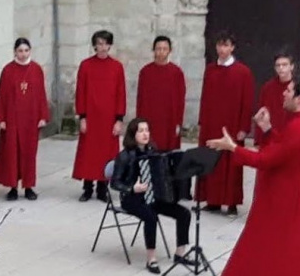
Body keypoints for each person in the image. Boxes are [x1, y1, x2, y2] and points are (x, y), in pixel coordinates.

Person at [206, 77, 300, 276]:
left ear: (299, 99)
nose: (284, 93)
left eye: (289, 91)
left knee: (276, 247)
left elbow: (266, 160)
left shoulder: (299, 126)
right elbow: (287, 149)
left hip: (290, 195)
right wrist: (268, 129)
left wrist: (233, 147)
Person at [110, 118, 198, 274]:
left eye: (147, 130)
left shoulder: (154, 152)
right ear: (133, 134)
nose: (145, 134)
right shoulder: (124, 156)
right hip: (132, 199)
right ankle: (151, 259)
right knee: (151, 217)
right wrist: (132, 188)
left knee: (184, 213)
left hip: (153, 197)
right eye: (141, 131)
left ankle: (180, 254)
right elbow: (115, 183)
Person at [197, 31, 254, 216]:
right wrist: (202, 121)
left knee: (231, 162)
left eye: (226, 45)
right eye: (220, 45)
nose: (222, 49)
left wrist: (244, 128)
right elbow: (205, 98)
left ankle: (231, 203)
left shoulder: (243, 72)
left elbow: (247, 102)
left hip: (232, 125)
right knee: (211, 159)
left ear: (232, 47)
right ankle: (212, 200)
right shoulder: (211, 70)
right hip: (211, 123)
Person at [73, 30, 126, 202]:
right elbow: (80, 92)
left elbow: (120, 93)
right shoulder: (86, 65)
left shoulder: (117, 67)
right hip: (91, 117)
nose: (102, 47)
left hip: (109, 118)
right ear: (94, 45)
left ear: (110, 45)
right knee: (89, 153)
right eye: (99, 43)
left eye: (105, 43)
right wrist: (82, 116)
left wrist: (119, 119)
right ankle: (88, 188)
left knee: (106, 153)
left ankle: (103, 189)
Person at [0, 38, 49, 201]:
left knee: (29, 154)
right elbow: (2, 95)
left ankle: (28, 186)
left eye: (26, 50)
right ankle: (12, 187)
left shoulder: (36, 69)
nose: (23, 54)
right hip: (12, 118)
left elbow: (41, 94)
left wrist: (43, 116)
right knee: (11, 154)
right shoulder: (8, 70)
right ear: (15, 52)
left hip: (31, 119)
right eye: (20, 51)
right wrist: (1, 118)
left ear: (30, 51)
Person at [136, 36, 186, 152]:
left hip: (170, 120)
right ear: (153, 50)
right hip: (150, 119)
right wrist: (139, 122)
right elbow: (140, 99)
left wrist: (178, 122)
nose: (161, 52)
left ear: (170, 50)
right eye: (158, 48)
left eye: (165, 48)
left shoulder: (176, 72)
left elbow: (180, 100)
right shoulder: (145, 72)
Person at [254, 53, 294, 147]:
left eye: (284, 65)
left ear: (291, 66)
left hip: (289, 137)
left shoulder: (298, 87)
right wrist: (257, 140)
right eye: (278, 65)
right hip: (269, 136)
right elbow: (261, 112)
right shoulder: (267, 87)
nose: (281, 68)